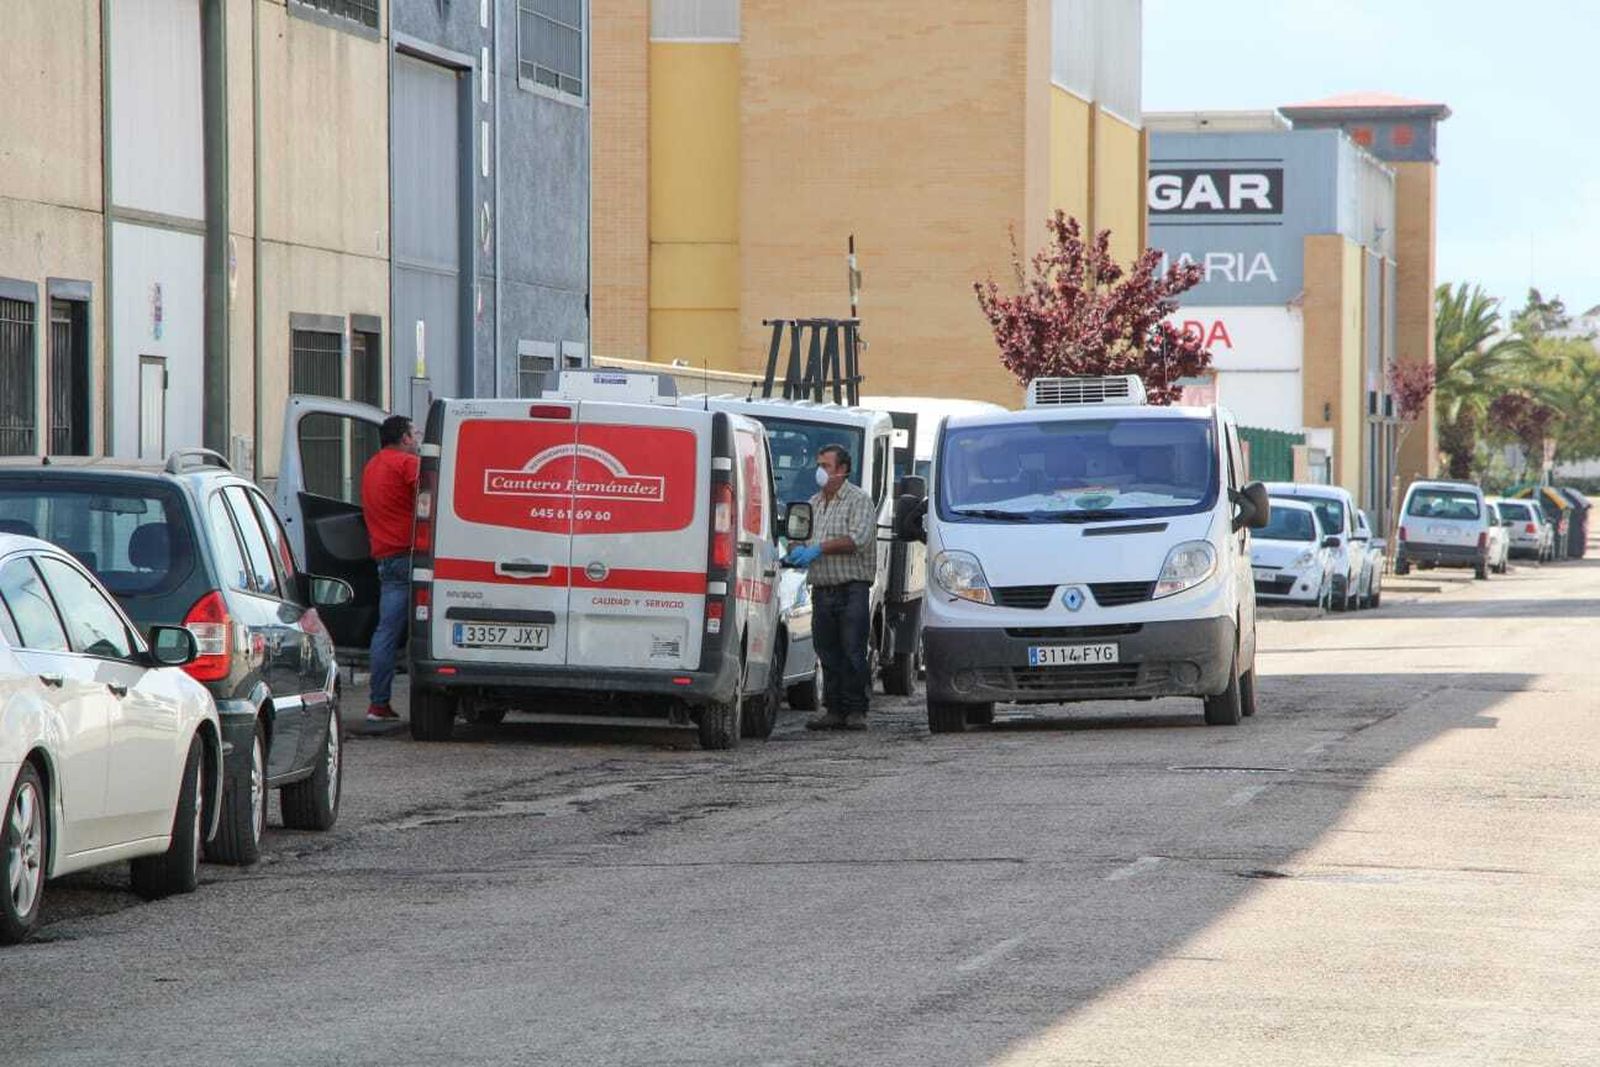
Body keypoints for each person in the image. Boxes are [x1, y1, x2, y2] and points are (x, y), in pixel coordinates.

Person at [784, 444, 877, 730]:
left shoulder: (858, 500)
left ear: (842, 469)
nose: (819, 471)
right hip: (823, 589)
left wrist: (818, 549)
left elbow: (856, 540)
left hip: (852, 588)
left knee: (852, 650)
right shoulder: (812, 503)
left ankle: (856, 709)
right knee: (827, 651)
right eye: (819, 464)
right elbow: (797, 535)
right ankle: (834, 709)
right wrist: (796, 549)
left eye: (825, 465)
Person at [361, 414, 421, 724]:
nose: (418, 438)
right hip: (410, 556)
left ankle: (377, 703)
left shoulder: (372, 465)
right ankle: (428, 702)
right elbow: (429, 497)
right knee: (425, 632)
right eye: (415, 433)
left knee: (385, 632)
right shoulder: (407, 465)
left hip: (384, 558)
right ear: (405, 438)